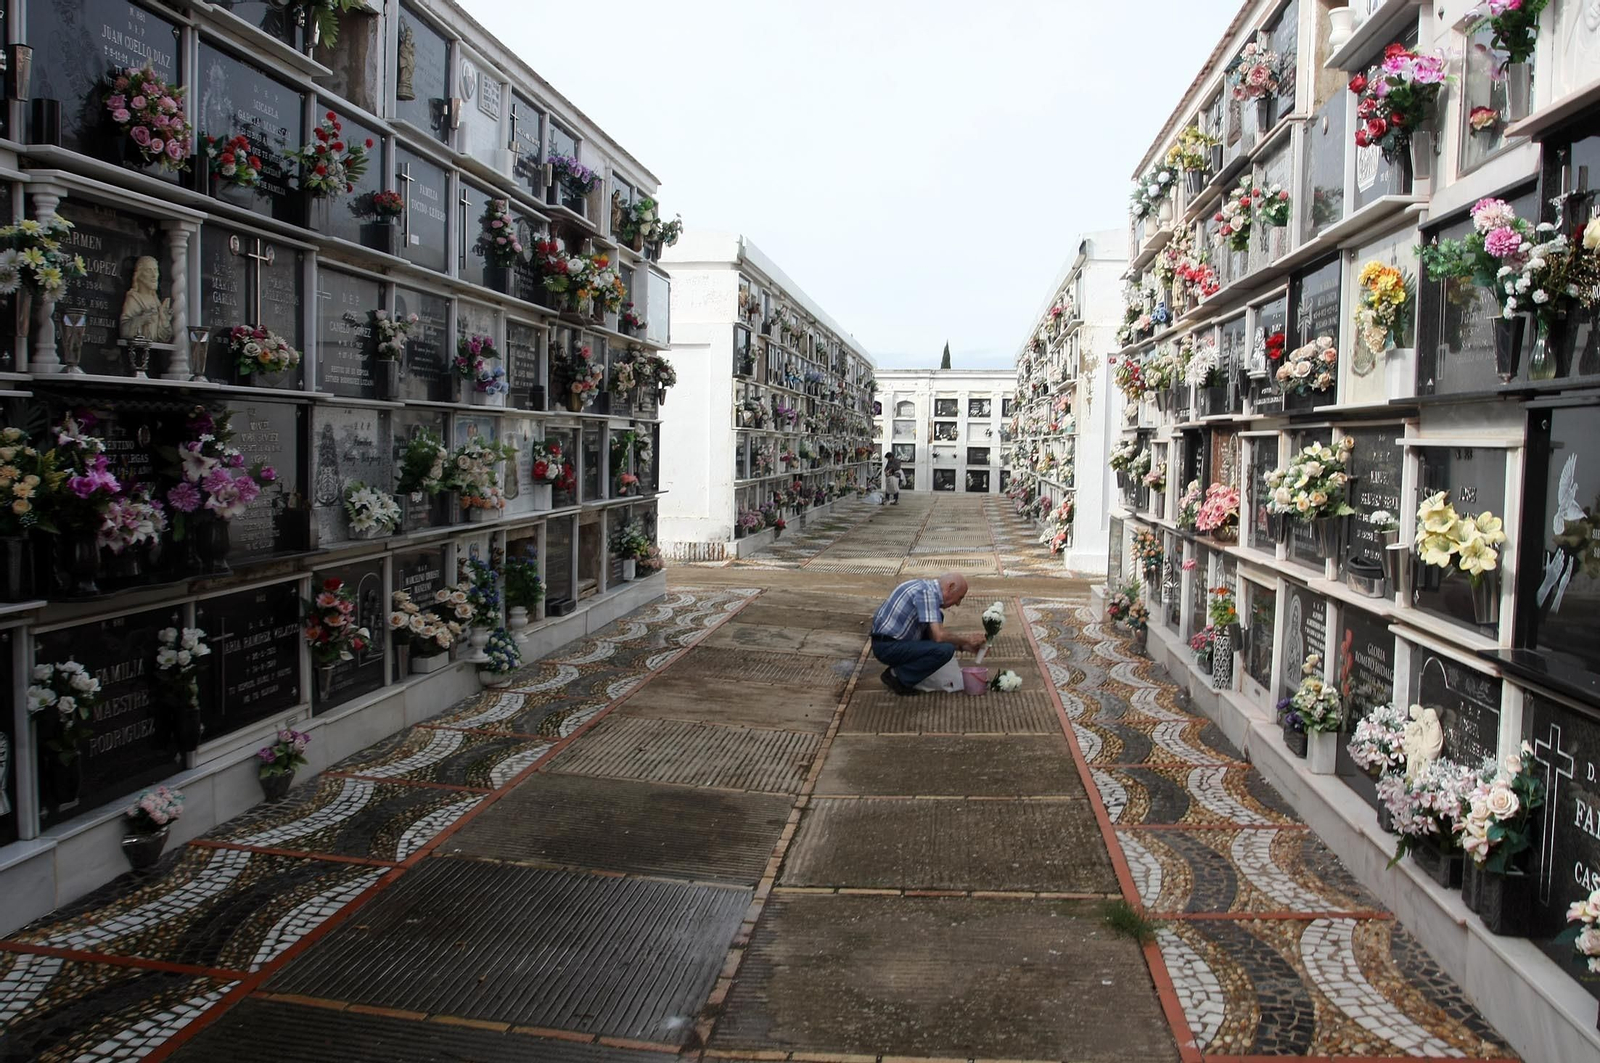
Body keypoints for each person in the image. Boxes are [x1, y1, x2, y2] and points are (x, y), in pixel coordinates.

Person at [870, 572, 985, 696]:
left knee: (938, 623)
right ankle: (897, 676)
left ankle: (901, 673)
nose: (958, 603)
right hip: (887, 647)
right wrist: (967, 640)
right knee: (945, 650)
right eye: (960, 597)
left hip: (888, 643)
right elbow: (939, 636)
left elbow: (933, 638)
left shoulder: (925, 588)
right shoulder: (927, 594)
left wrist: (965, 647)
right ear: (950, 587)